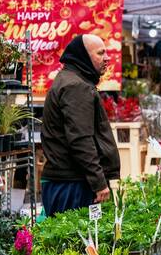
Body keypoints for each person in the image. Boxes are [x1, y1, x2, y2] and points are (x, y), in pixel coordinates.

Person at [41, 35, 120, 216]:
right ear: (83, 56)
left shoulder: (72, 81)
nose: (107, 58)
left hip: (70, 181)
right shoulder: (76, 86)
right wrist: (99, 182)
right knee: (81, 241)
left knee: (75, 241)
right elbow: (80, 139)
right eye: (100, 53)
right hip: (73, 184)